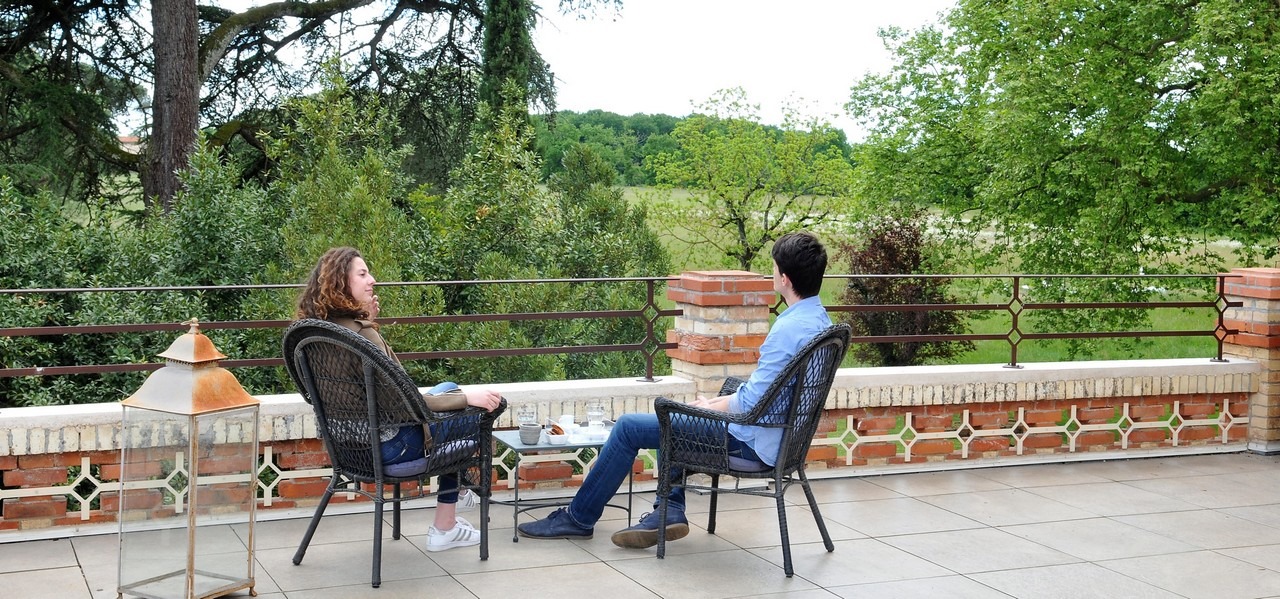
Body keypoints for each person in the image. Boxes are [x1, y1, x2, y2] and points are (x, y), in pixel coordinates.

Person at [517, 231, 831, 549]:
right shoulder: (821, 322)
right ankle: (668, 509)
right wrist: (714, 402)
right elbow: (769, 391)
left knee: (630, 427)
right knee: (677, 418)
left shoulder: (786, 331)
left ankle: (579, 517)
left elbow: (751, 402)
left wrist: (706, 409)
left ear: (785, 278)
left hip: (751, 445)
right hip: (783, 439)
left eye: (774, 269)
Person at [295, 246, 504, 552]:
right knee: (472, 417)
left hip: (349, 447)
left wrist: (368, 323)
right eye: (363, 274)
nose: (373, 280)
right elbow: (404, 403)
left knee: (447, 386)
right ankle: (446, 523)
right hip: (394, 448)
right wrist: (467, 398)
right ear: (341, 281)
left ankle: (460, 492)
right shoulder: (361, 335)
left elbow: (331, 392)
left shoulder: (313, 333)